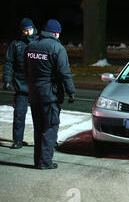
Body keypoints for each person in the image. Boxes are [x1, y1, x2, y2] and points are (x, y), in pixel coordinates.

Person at [24, 19, 76, 169]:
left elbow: (25, 70)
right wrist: (70, 91)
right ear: (55, 33)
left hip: (34, 94)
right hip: (50, 96)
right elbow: (64, 73)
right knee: (50, 128)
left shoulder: (30, 46)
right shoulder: (57, 48)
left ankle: (38, 161)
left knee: (38, 128)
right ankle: (45, 162)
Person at [2, 18, 39, 149]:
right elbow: (8, 62)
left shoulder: (39, 42)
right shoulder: (16, 44)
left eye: (30, 29)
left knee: (39, 117)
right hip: (21, 86)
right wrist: (6, 80)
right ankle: (17, 140)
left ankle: (41, 140)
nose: (28, 32)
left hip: (37, 87)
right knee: (19, 115)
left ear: (33, 28)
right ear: (22, 30)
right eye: (25, 30)